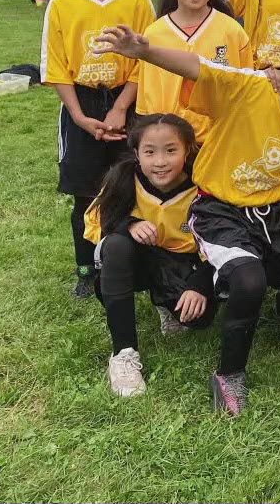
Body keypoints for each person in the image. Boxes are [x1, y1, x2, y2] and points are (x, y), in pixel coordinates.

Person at [91, 23, 280, 417]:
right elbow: (198, 67)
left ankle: (276, 301)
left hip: (276, 218)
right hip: (222, 210)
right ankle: (229, 375)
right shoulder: (252, 88)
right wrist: (143, 52)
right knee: (249, 279)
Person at [40, 0, 156, 299]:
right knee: (86, 193)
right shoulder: (61, 3)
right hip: (82, 102)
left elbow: (147, 59)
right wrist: (77, 116)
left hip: (129, 99)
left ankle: (137, 261)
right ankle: (86, 268)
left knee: (136, 182)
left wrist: (122, 107)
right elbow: (56, 66)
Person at [85, 115, 219, 397]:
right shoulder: (123, 177)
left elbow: (220, 243)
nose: (160, 161)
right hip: (137, 259)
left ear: (188, 150)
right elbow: (95, 222)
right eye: (150, 152)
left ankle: (166, 303)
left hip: (185, 262)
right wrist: (129, 224)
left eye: (171, 150)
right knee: (116, 247)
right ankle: (123, 353)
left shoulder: (205, 185)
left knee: (198, 320)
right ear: (136, 153)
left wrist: (201, 285)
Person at [136, 0, 252, 142]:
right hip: (169, 145)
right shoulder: (154, 34)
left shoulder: (232, 31)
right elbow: (148, 102)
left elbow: (246, 92)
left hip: (219, 141)